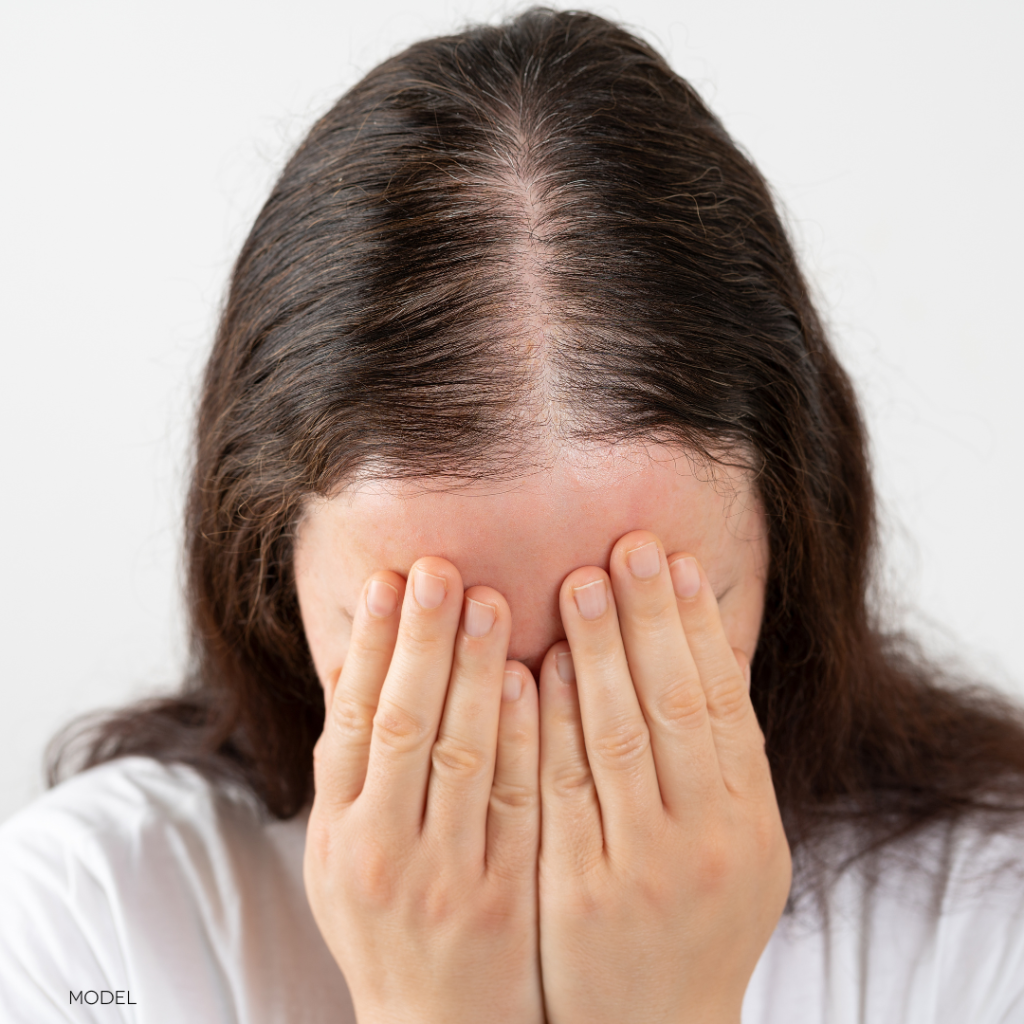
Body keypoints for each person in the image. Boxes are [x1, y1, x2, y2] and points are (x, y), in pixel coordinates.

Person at [2, 7, 1023, 1022]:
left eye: (641, 631)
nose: (543, 745)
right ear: (270, 569)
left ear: (791, 540)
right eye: (435, 642)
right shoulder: (82, 933)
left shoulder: (991, 922)